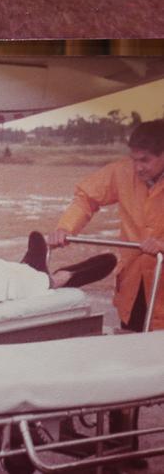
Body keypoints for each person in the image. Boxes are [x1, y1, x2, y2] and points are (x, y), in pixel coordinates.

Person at [48, 119, 164, 333]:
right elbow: (86, 198)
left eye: (145, 160)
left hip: (161, 281)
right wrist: (65, 228)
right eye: (134, 159)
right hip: (133, 282)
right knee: (130, 342)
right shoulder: (121, 171)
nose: (138, 167)